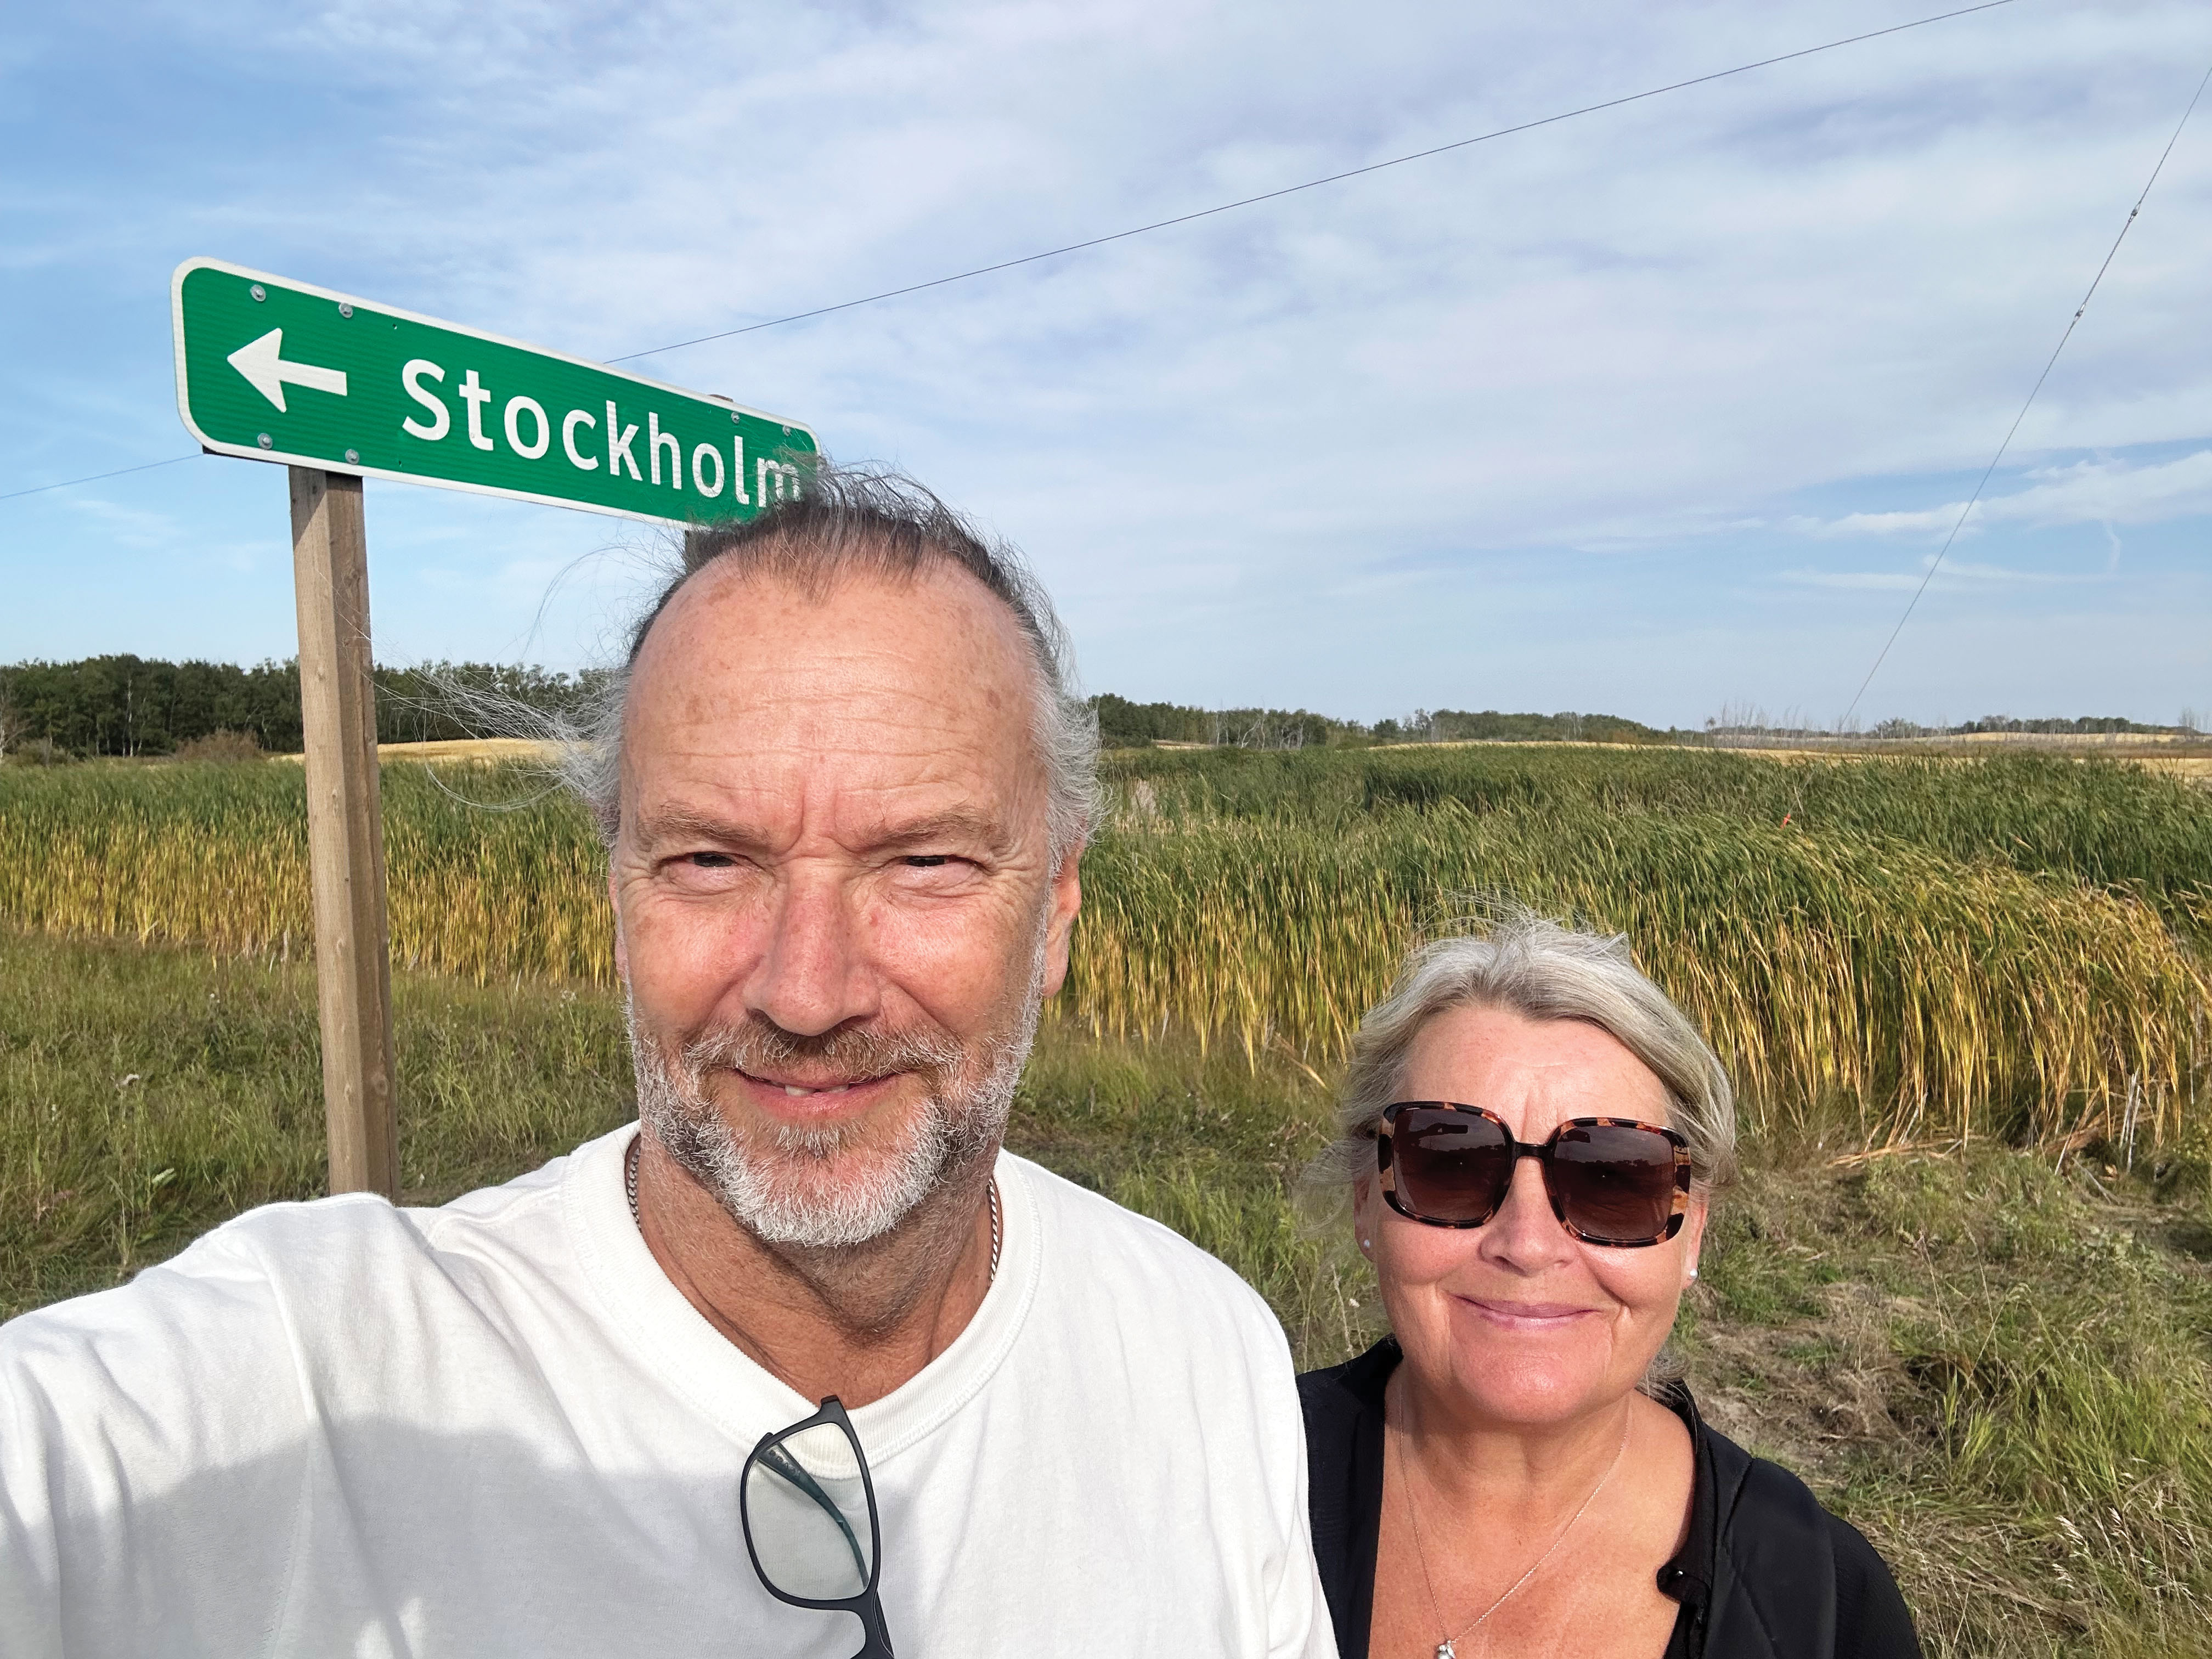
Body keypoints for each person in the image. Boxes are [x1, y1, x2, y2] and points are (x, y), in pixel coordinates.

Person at [0, 469, 1334, 1658]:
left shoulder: (1205, 1353)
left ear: (1055, 910)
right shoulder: (315, 1387)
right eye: (709, 858)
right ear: (616, 890)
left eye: (924, 860)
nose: (808, 991)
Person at [1298, 915, 1919, 1659]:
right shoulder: (1230, 1481)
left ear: (1694, 1230)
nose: (1527, 1245)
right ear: (1367, 1199)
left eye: (1613, 1179)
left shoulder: (1824, 1607)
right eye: (1451, 1161)